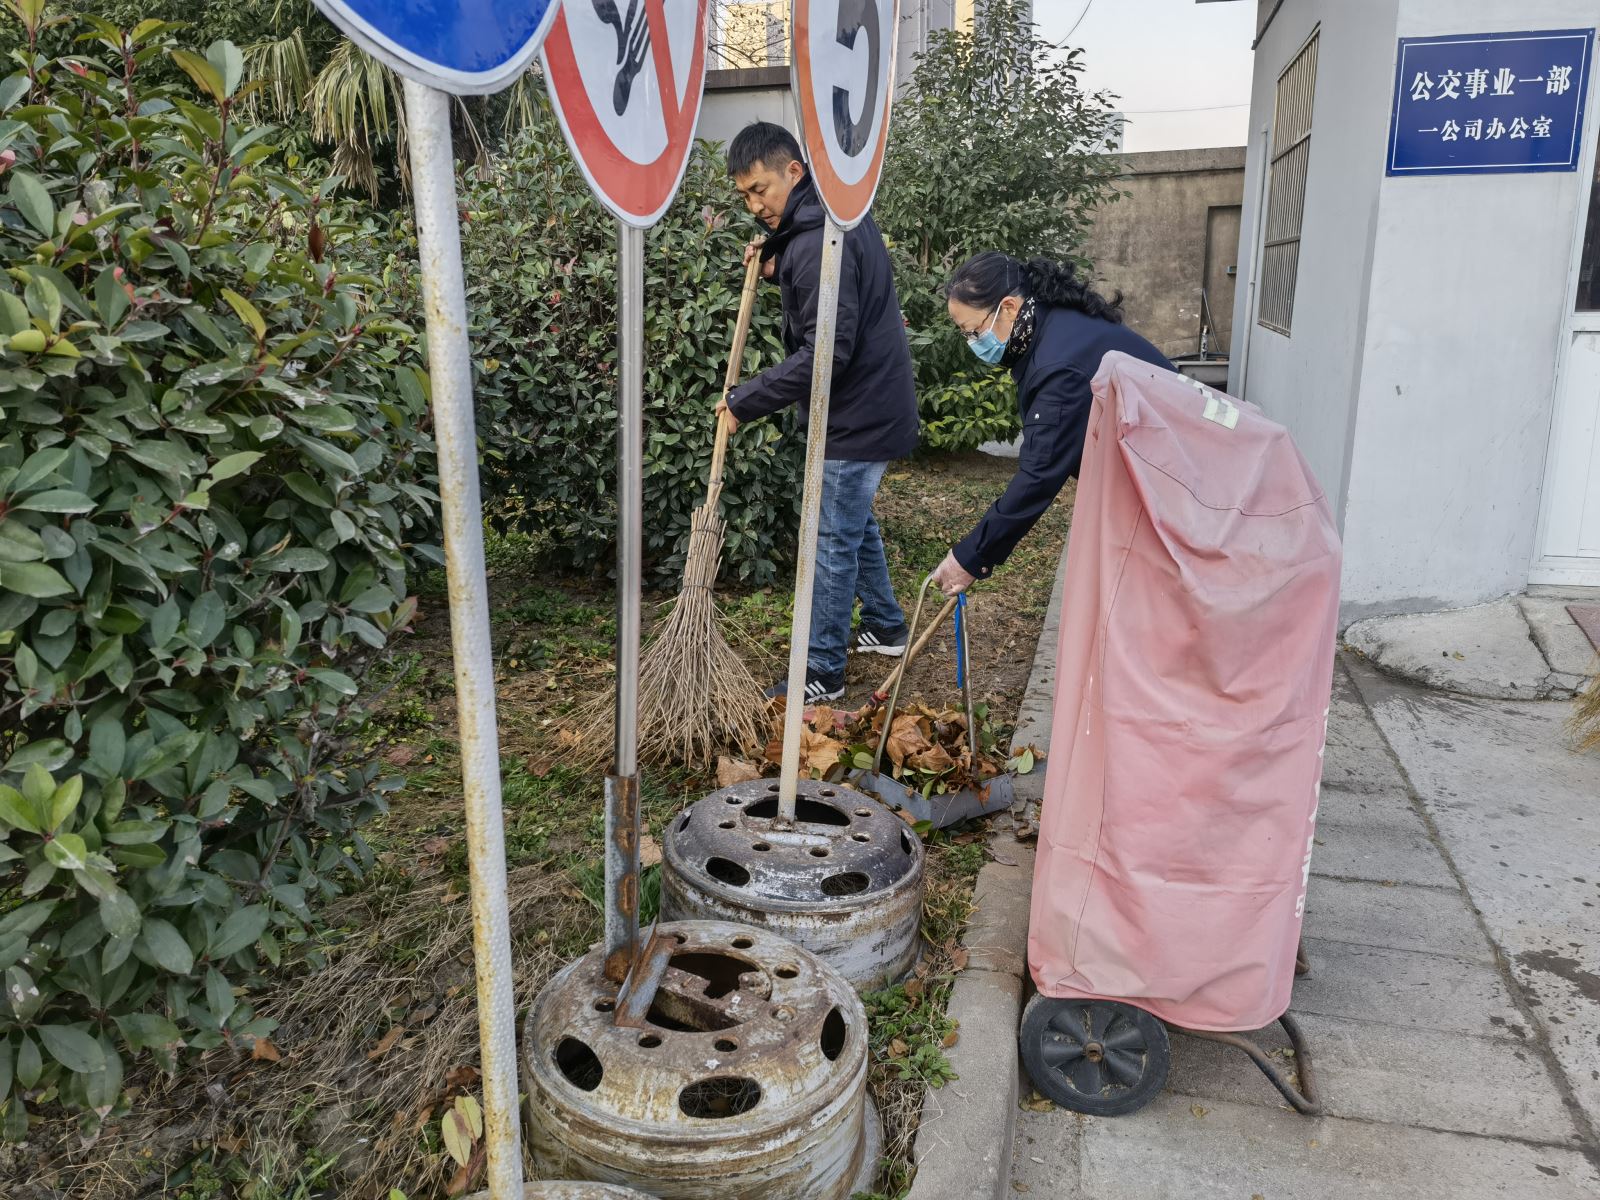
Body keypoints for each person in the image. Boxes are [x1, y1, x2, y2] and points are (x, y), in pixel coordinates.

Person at [716, 121, 920, 703]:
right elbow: (808, 257)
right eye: (746, 197)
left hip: (857, 413)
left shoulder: (816, 242)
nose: (755, 206)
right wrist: (776, 253)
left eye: (761, 190)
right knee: (853, 524)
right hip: (871, 405)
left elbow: (823, 354)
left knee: (832, 538)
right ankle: (884, 626)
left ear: (794, 172)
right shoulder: (833, 214)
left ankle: (823, 672)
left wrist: (743, 401)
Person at [930, 252, 1173, 598]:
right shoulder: (1057, 322)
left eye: (974, 331)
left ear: (1009, 308)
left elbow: (1038, 476)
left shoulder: (1058, 366)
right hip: (1163, 474)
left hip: (1178, 487)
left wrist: (971, 557)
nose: (973, 343)